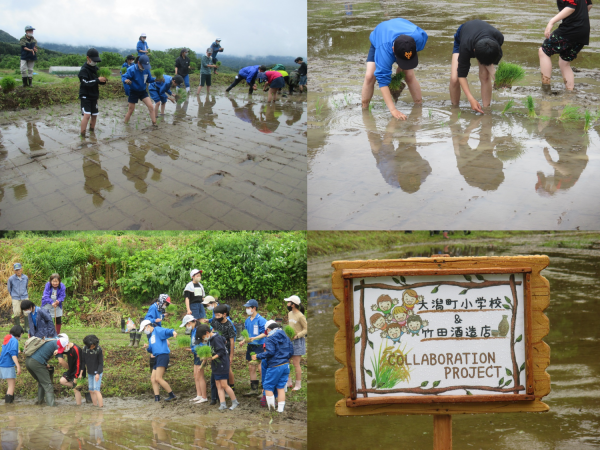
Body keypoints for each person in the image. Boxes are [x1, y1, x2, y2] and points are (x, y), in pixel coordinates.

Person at [361, 18, 428, 120]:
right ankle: (364, 110)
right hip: (381, 36)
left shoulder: (419, 39)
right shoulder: (384, 49)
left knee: (409, 75)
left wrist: (401, 68)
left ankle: (418, 107)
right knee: (370, 76)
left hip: (402, 31)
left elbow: (408, 53)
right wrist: (393, 110)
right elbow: (382, 80)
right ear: (393, 50)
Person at [450, 19, 504, 114]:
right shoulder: (465, 47)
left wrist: (498, 79)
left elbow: (490, 61)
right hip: (464, 36)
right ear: (474, 51)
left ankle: (486, 109)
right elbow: (461, 76)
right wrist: (471, 99)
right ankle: (455, 109)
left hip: (484, 39)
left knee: (485, 76)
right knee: (454, 79)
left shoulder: (498, 39)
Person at [539, 0, 592, 92]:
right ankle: (569, 92)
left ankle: (546, 88)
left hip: (570, 29)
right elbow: (589, 5)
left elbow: (571, 7)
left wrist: (551, 22)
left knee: (544, 51)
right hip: (583, 30)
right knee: (564, 62)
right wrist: (579, 16)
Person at [251, 322, 294, 412]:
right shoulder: (286, 336)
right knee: (280, 387)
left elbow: (270, 352)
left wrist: (257, 356)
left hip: (275, 365)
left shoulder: (270, 338)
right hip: (286, 365)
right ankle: (280, 410)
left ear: (268, 329)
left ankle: (271, 409)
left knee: (268, 386)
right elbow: (291, 351)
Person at [196, 324, 239, 411]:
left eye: (203, 337)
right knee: (218, 385)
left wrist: (211, 358)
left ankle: (235, 402)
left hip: (222, 364)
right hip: (215, 364)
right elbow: (210, 352)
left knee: (224, 385)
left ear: (207, 333)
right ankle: (223, 404)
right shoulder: (210, 339)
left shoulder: (216, 338)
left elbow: (221, 352)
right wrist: (201, 365)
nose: (203, 339)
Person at [26, 334, 69, 407]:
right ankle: (51, 406)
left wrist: (45, 363)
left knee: (41, 381)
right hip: (36, 363)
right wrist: (71, 369)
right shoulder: (58, 344)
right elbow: (61, 361)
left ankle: (40, 403)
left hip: (28, 361)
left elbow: (41, 353)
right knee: (48, 384)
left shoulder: (49, 340)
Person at [140, 319, 177, 402]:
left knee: (158, 378)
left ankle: (172, 395)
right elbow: (152, 350)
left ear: (148, 326)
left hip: (163, 356)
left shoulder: (157, 330)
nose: (144, 331)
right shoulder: (151, 336)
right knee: (153, 378)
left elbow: (167, 331)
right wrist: (147, 347)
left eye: (143, 329)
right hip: (157, 357)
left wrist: (173, 332)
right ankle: (157, 398)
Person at [238, 299, 267, 396]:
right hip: (250, 346)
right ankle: (254, 389)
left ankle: (264, 389)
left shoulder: (261, 320)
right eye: (246, 307)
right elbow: (247, 335)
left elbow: (265, 333)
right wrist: (243, 341)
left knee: (260, 367)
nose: (246, 309)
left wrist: (255, 338)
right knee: (251, 367)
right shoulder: (247, 320)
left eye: (248, 307)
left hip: (259, 346)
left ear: (254, 308)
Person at [208, 305, 236, 398]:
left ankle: (231, 387)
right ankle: (219, 388)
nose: (216, 317)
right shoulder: (215, 321)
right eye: (215, 315)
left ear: (224, 314)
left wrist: (231, 355)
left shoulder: (229, 325)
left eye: (218, 315)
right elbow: (213, 331)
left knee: (228, 368)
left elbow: (232, 341)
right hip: (216, 347)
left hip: (226, 350)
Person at [78, 48, 107, 136]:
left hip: (94, 95)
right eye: (93, 60)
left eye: (96, 61)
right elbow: (85, 83)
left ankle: (92, 132)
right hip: (85, 96)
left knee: (94, 115)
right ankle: (82, 135)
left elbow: (98, 82)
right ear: (88, 58)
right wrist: (97, 80)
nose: (95, 62)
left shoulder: (96, 69)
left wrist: (103, 80)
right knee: (87, 115)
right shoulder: (83, 70)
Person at [123, 55, 157, 126]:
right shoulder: (131, 69)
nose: (144, 67)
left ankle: (154, 123)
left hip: (143, 91)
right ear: (139, 63)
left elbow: (149, 79)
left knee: (151, 106)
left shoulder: (146, 70)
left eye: (146, 66)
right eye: (143, 66)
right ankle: (125, 124)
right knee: (131, 110)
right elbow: (124, 77)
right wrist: (126, 80)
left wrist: (156, 79)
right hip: (133, 91)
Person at [181, 315, 208, 403]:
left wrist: (192, 349)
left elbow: (204, 343)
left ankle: (204, 397)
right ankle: (198, 395)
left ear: (189, 323)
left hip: (201, 354)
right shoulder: (193, 330)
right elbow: (194, 343)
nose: (186, 327)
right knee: (196, 375)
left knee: (200, 376)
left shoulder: (199, 330)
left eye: (186, 325)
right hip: (196, 354)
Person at [285, 295, 306, 391]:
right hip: (289, 341)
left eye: (288, 302)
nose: (287, 304)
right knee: (287, 361)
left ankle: (298, 384)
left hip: (298, 341)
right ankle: (289, 381)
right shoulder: (290, 314)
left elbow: (306, 329)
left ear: (293, 304)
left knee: (296, 363)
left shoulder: (301, 316)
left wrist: (297, 335)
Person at [57, 336, 86, 406]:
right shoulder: (68, 348)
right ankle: (78, 387)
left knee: (76, 389)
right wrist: (58, 351)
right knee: (62, 381)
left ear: (67, 345)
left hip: (78, 372)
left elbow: (79, 364)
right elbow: (65, 351)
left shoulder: (76, 349)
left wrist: (76, 377)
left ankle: (79, 407)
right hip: (71, 370)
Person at [1, 325, 23, 404]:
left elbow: (7, 350)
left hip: (3, 363)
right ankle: (8, 405)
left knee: (10, 384)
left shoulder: (8, 338)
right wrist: (18, 366)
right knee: (11, 385)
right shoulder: (14, 340)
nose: (21, 336)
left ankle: (10, 403)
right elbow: (13, 354)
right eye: (21, 334)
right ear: (19, 333)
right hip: (8, 365)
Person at [81, 335, 104, 407]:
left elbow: (101, 363)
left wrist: (98, 373)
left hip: (97, 371)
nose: (92, 347)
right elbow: (83, 362)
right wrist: (81, 373)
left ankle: (101, 407)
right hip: (90, 372)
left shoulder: (98, 349)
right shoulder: (85, 349)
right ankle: (94, 405)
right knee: (91, 390)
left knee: (96, 390)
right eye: (91, 346)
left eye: (93, 345)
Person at [7, 263, 29, 334]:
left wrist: (25, 294)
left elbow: (26, 287)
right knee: (16, 313)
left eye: (19, 269)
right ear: (14, 271)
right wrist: (13, 295)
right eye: (16, 270)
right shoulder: (11, 279)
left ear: (21, 269)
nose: (18, 271)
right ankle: (18, 329)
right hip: (15, 297)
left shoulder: (25, 277)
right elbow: (9, 289)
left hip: (24, 296)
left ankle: (26, 328)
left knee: (27, 312)